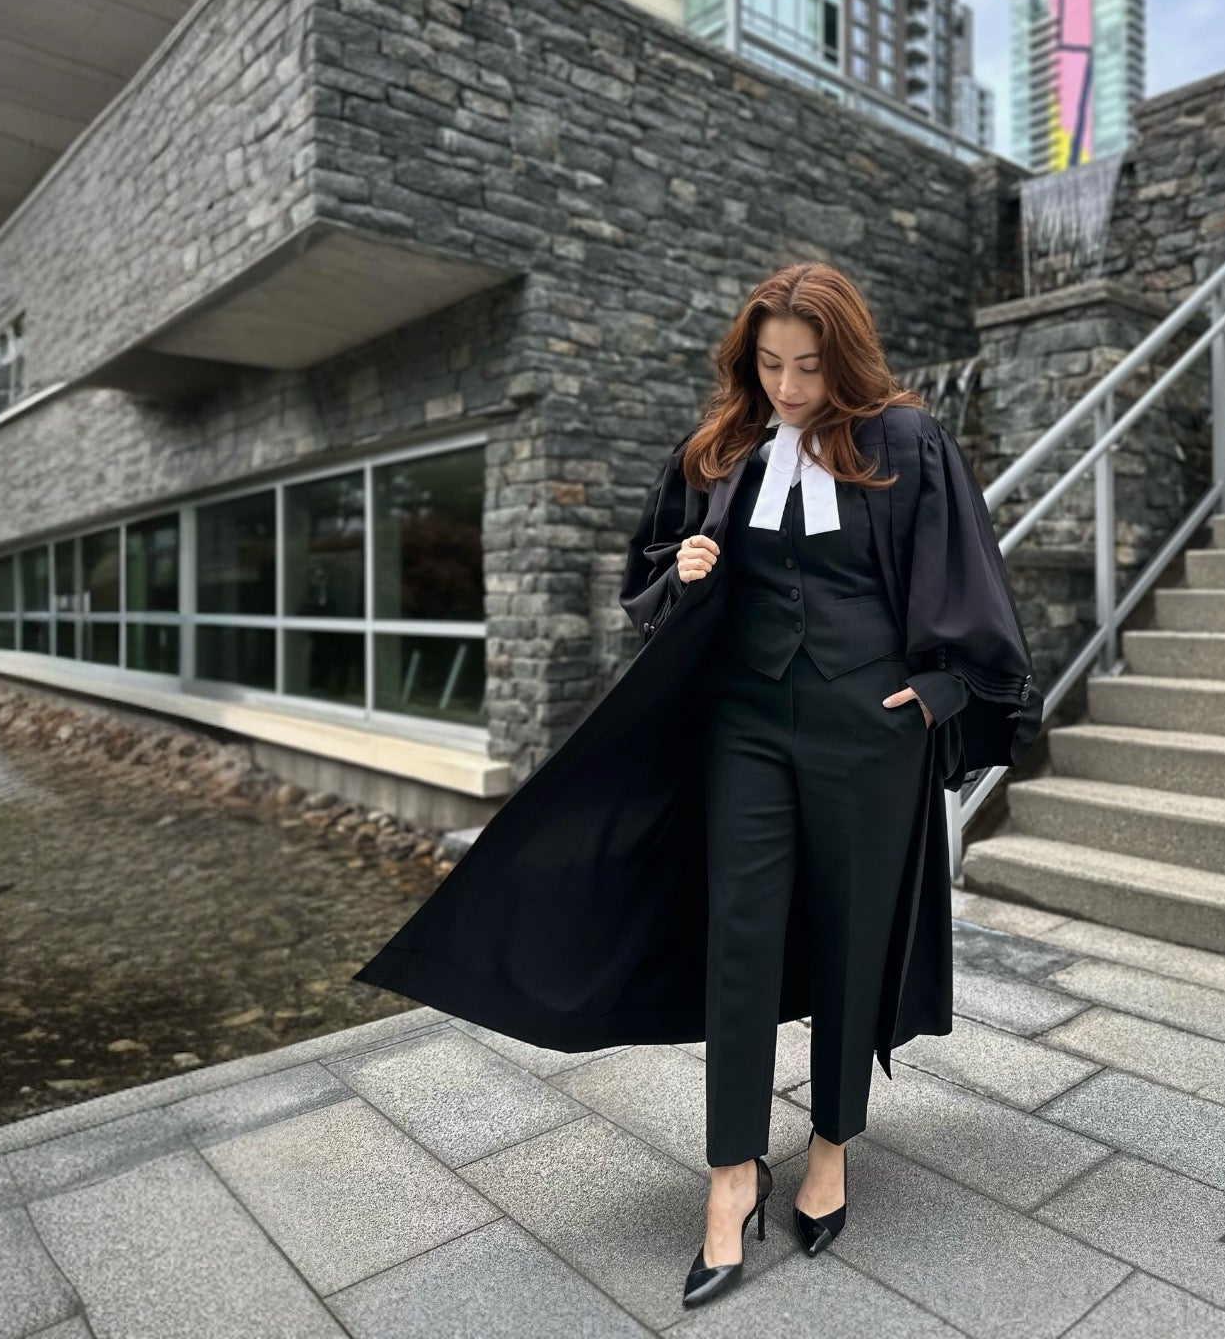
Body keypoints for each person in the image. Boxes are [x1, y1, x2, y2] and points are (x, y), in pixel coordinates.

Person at [351, 261, 1039, 1312]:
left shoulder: (906, 443)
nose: (790, 386)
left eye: (809, 365)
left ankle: (830, 1150)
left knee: (854, 941)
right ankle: (729, 1177)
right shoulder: (718, 448)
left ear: (842, 356)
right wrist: (688, 572)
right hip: (744, 727)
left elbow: (968, 580)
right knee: (741, 946)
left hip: (870, 733)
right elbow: (654, 576)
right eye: (770, 364)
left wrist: (943, 692)